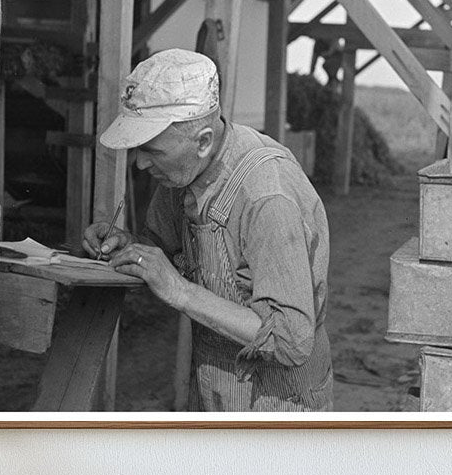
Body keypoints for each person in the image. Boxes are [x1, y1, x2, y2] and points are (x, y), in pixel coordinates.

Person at [83, 48, 333, 412]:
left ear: (202, 141)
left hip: (280, 404)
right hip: (215, 387)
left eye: (152, 150)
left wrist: (180, 292)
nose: (139, 163)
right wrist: (130, 245)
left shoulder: (268, 197)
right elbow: (165, 250)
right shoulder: (183, 171)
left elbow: (290, 340)